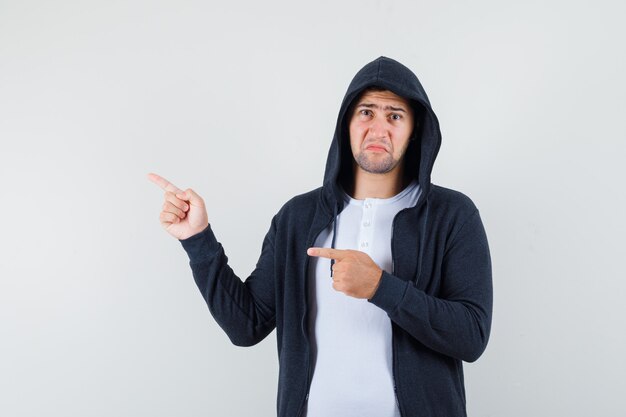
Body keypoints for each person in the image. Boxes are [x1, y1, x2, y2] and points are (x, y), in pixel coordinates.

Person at [148, 56, 492, 417]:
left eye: (394, 115)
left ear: (415, 130)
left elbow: (471, 336)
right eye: (366, 113)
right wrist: (198, 238)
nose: (378, 129)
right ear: (346, 124)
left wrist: (379, 287)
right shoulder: (298, 217)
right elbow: (245, 325)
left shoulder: (452, 215)